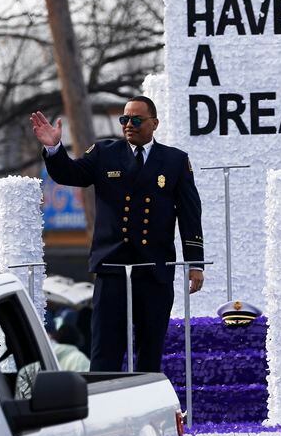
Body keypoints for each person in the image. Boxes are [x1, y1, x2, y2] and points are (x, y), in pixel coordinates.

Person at [31, 96, 205, 373]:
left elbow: (189, 214)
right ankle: (102, 411)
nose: (129, 125)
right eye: (125, 119)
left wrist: (195, 263)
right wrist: (54, 148)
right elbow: (71, 174)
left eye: (137, 119)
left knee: (149, 353)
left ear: (154, 123)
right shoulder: (105, 153)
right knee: (105, 353)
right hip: (113, 268)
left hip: (154, 270)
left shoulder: (174, 161)